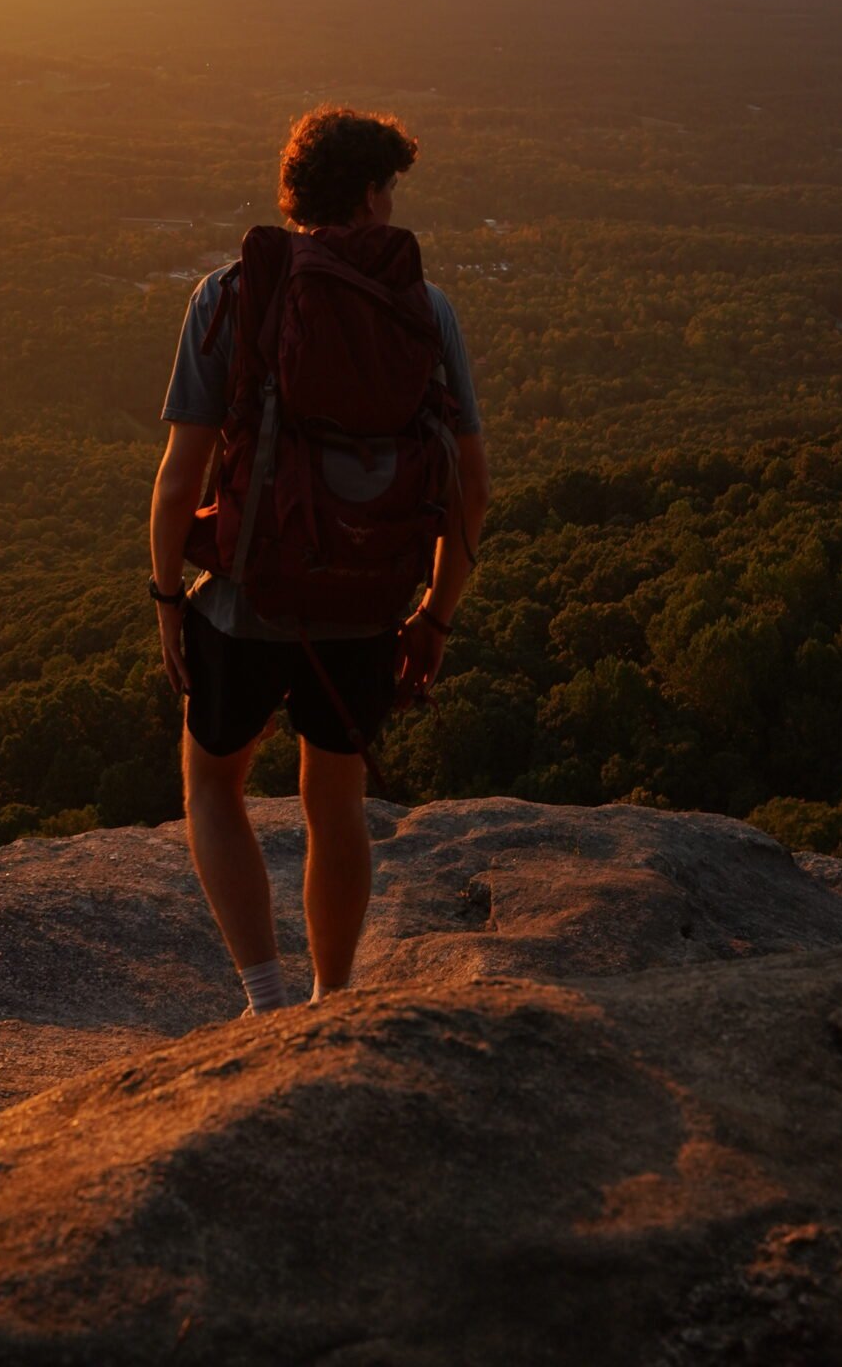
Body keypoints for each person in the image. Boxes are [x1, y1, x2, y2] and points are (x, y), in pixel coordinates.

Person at [149, 106, 487, 1016]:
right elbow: (470, 489)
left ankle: (264, 1001)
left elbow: (180, 477)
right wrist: (435, 614)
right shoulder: (425, 310)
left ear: (296, 193)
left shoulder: (230, 293)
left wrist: (167, 596)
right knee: (334, 801)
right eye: (389, 187)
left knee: (212, 783)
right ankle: (331, 995)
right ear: (374, 198)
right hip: (370, 603)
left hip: (246, 602)